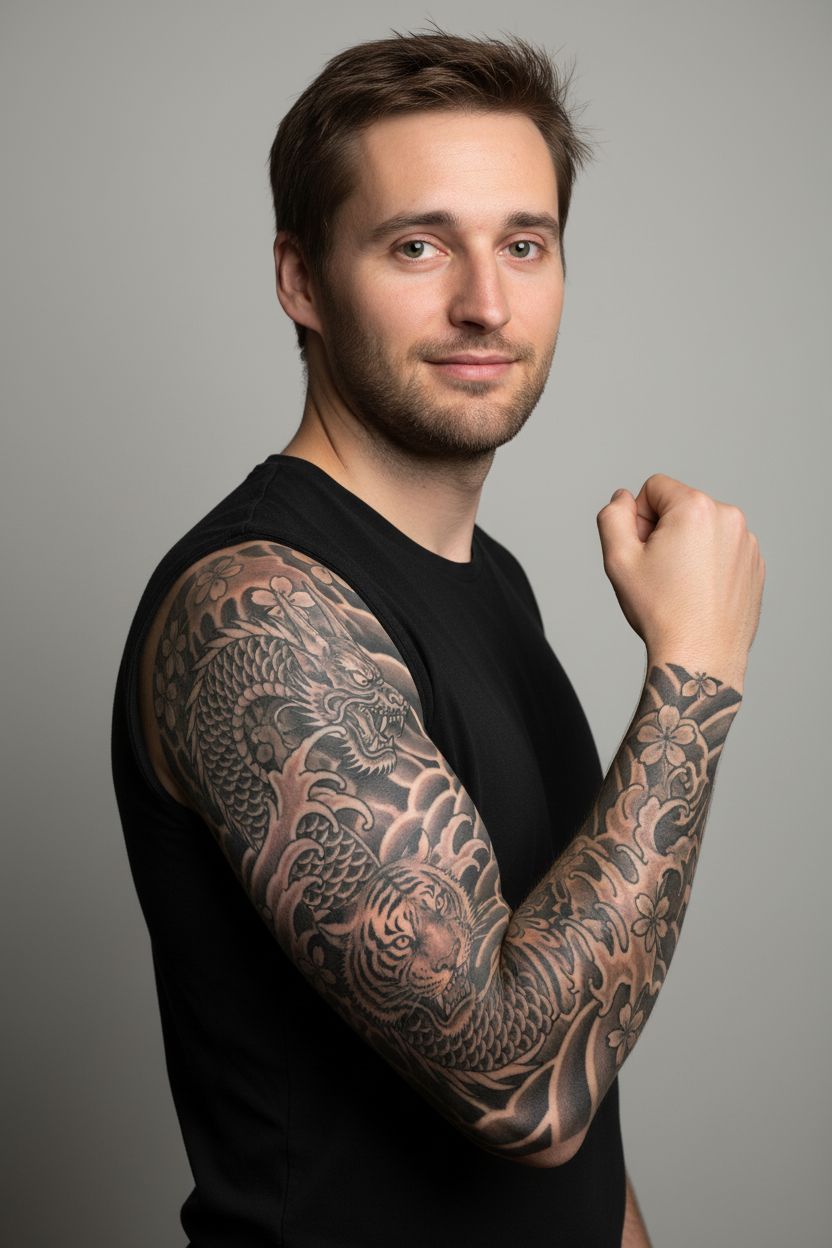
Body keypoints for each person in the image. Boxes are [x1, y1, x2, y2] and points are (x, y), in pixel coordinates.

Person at [110, 28, 764, 1248]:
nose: (485, 304)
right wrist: (695, 672)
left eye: (524, 244)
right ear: (301, 281)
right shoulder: (259, 609)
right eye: (418, 245)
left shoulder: (491, 581)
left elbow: (581, 1052)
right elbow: (523, 1087)